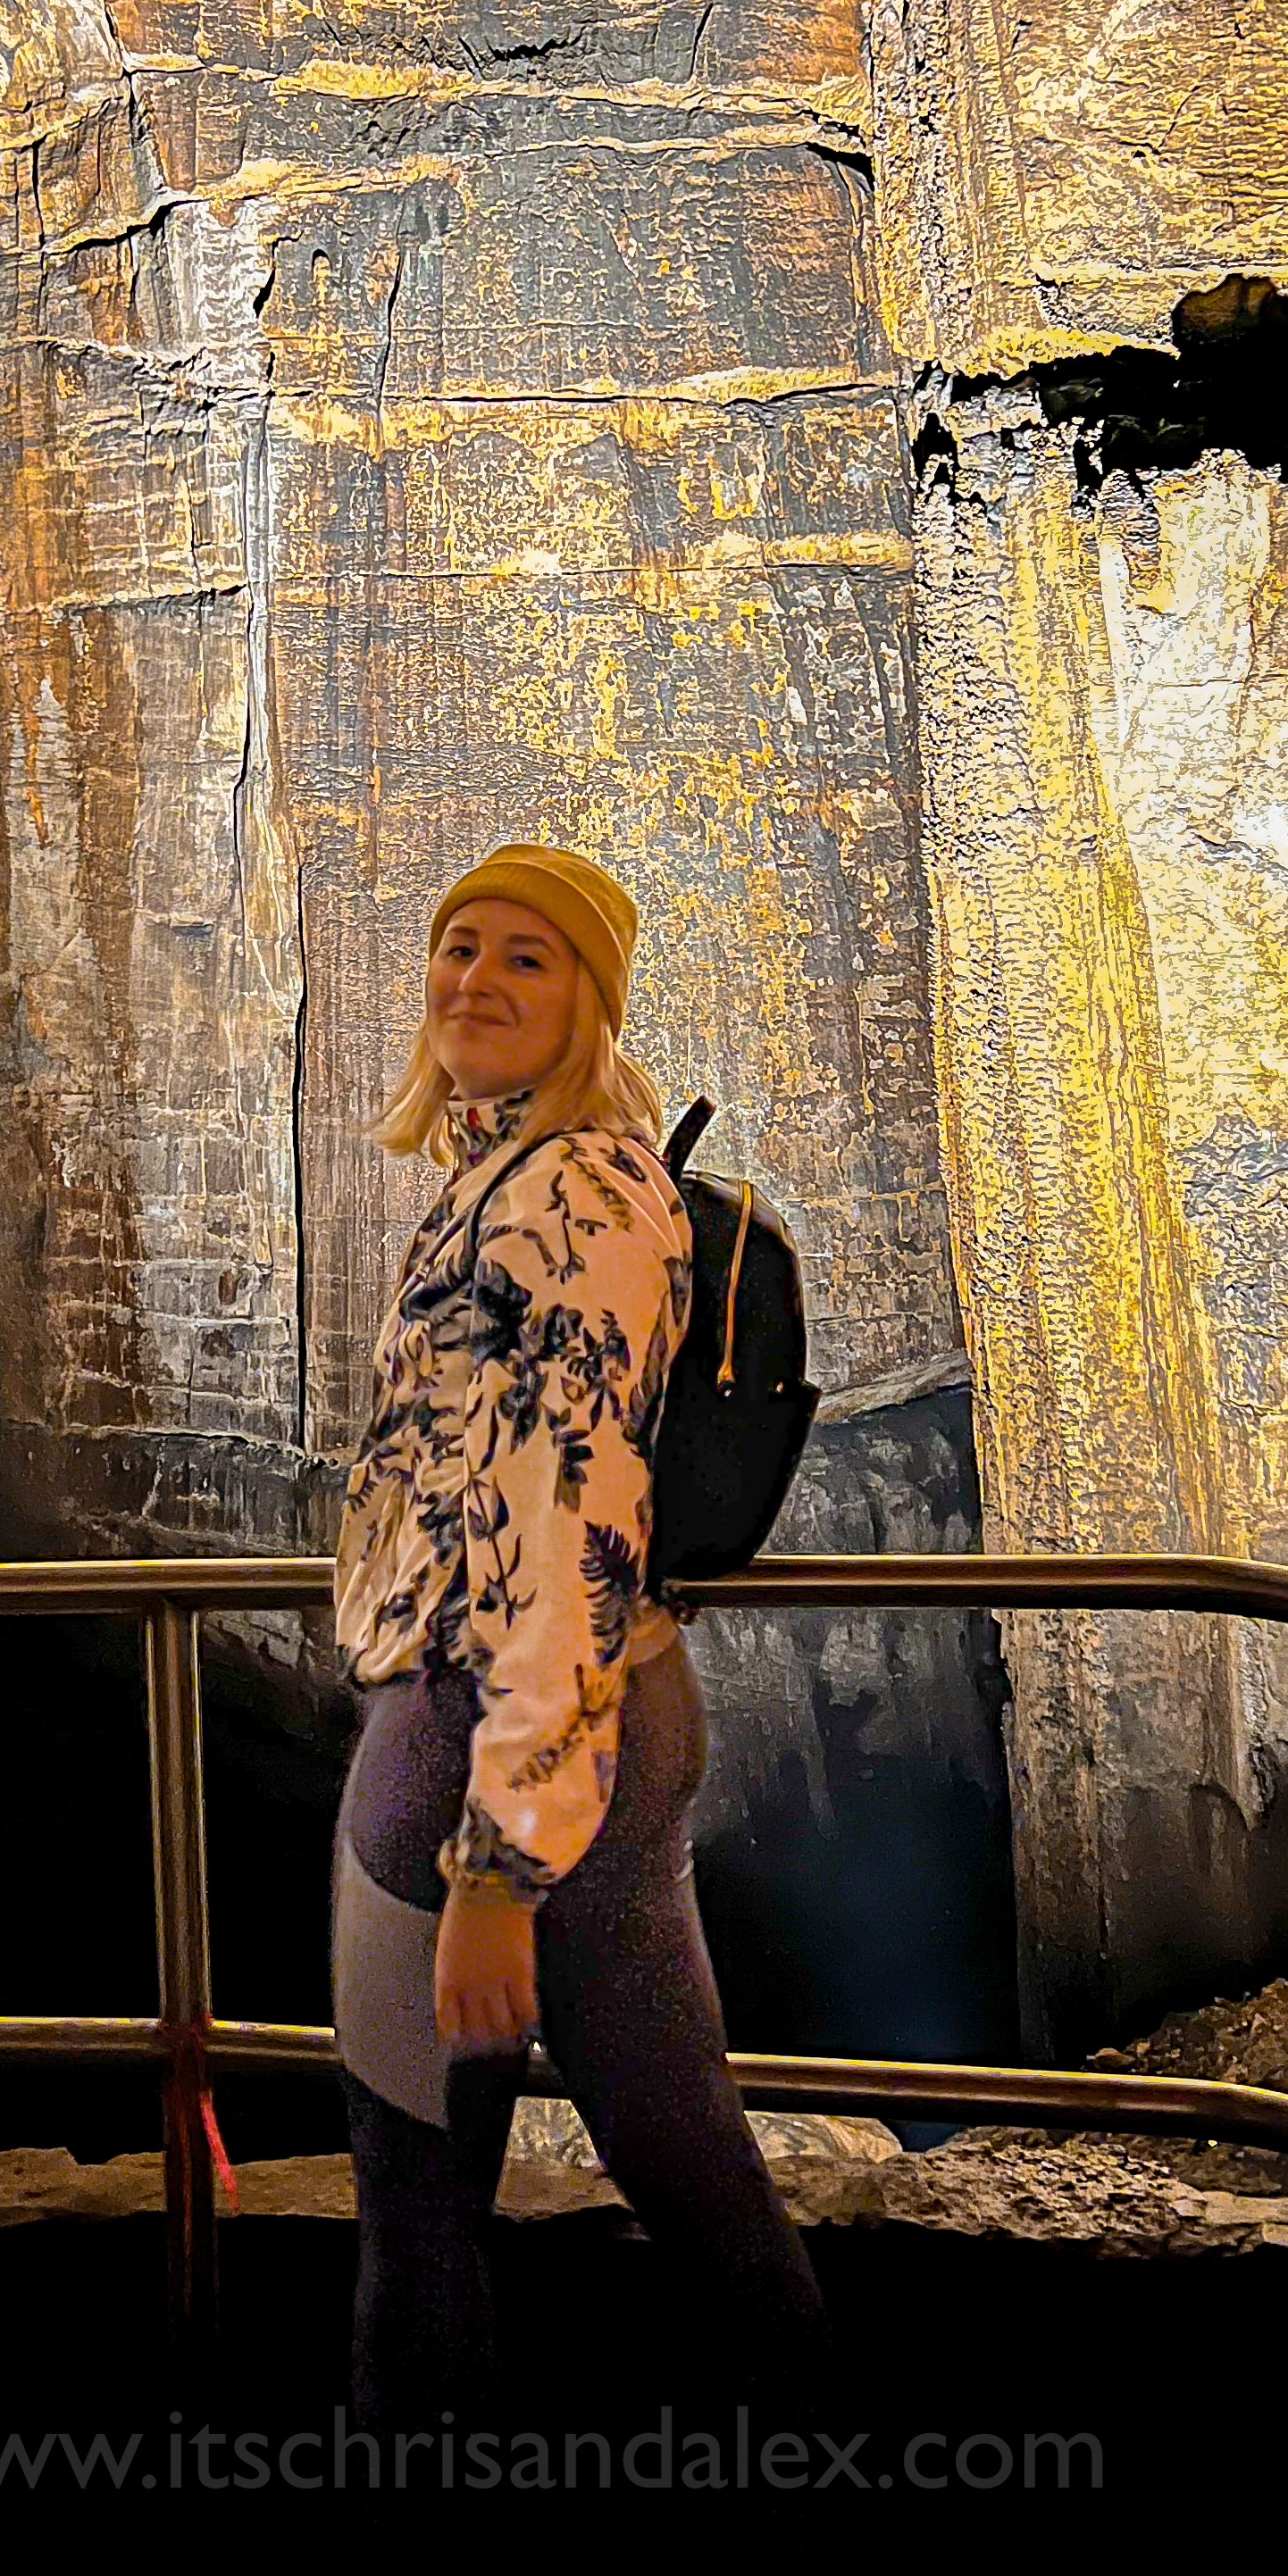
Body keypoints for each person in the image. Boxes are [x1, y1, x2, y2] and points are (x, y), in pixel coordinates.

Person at [330, 841, 829, 2430]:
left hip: (503, 1740)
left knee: (421, 2213)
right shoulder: (505, 1180)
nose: (476, 979)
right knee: (684, 2161)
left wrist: (498, 1865)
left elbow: (574, 1526)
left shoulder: (583, 1196)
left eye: (528, 958)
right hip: (535, 1730)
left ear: (592, 1002)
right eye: (459, 945)